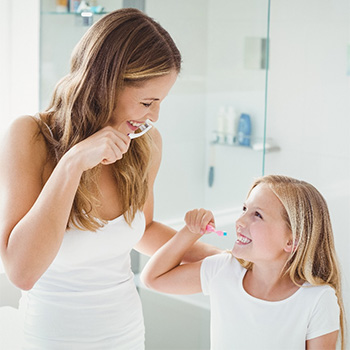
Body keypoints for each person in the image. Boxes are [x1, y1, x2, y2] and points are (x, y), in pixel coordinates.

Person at [0, 8, 220, 349]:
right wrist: (73, 163)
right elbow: (22, 272)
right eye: (148, 102)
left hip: (126, 334)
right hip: (52, 337)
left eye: (160, 102)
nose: (155, 116)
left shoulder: (144, 144)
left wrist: (220, 258)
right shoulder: (30, 137)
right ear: (106, 83)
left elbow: (142, 231)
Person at [141, 175, 346, 350]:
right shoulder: (223, 270)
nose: (240, 221)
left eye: (257, 215)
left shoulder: (317, 299)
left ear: (291, 241)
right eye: (244, 209)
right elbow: (153, 278)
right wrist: (190, 232)